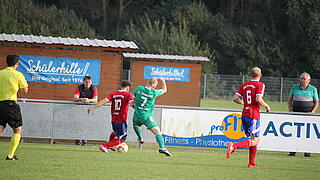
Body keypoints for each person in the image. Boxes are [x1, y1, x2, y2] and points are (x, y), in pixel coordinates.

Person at [226, 67, 270, 168]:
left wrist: (244, 103)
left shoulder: (244, 85)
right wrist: (266, 105)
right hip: (253, 115)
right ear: (261, 75)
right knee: (255, 140)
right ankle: (234, 146)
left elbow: (235, 98)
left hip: (245, 114)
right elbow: (258, 98)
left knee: (253, 140)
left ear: (250, 74)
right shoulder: (260, 85)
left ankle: (251, 163)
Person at [87, 81, 133, 152]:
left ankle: (109, 145)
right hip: (121, 120)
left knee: (115, 133)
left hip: (114, 119)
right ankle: (105, 146)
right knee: (123, 138)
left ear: (120, 86)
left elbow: (104, 101)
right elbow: (132, 104)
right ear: (127, 88)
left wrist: (93, 107)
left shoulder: (113, 94)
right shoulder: (128, 95)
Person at [132, 77, 172, 156]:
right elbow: (164, 90)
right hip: (146, 116)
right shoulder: (153, 92)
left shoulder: (139, 88)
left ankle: (140, 138)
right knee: (157, 131)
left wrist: (137, 108)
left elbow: (133, 102)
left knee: (136, 125)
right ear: (154, 86)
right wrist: (163, 81)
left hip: (136, 114)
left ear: (147, 83)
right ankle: (162, 148)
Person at [0, 55, 28, 160]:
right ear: (17, 64)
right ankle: (10, 156)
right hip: (10, 105)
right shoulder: (18, 74)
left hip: (0, 104)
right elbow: (25, 90)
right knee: (17, 130)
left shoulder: (0, 73)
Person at [287, 72, 319, 157]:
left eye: (304, 79)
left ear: (309, 80)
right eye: (301, 78)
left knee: (307, 134)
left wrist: (312, 112)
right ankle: (292, 151)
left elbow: (316, 102)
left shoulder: (313, 89)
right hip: (296, 113)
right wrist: (290, 109)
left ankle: (307, 152)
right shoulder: (295, 87)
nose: (303, 80)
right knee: (293, 133)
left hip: (307, 115)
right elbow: (290, 99)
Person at [74, 75, 98, 145]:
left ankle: (85, 140)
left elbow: (95, 99)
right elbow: (75, 98)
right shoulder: (79, 87)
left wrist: (88, 100)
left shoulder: (94, 88)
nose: (88, 84)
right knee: (78, 124)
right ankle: (78, 140)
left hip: (89, 110)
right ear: (83, 82)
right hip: (79, 109)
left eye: (89, 82)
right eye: (86, 82)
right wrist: (82, 99)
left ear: (91, 82)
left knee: (87, 124)